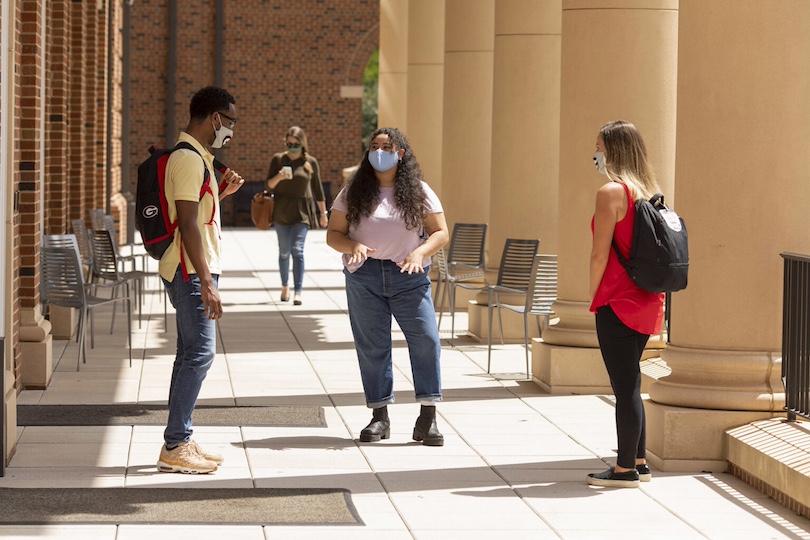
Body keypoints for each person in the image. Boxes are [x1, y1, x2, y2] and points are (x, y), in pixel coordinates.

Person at [326, 127, 449, 446]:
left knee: (426, 340)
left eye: (387, 147)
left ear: (401, 154)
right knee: (373, 345)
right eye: (374, 146)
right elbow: (333, 234)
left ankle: (427, 419)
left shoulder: (419, 191)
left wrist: (419, 252)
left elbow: (440, 232)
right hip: (364, 276)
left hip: (409, 276)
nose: (379, 152)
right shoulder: (353, 192)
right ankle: (379, 417)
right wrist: (351, 245)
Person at [156, 86, 245, 474]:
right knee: (200, 354)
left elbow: (195, 215)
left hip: (192, 268)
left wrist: (222, 194)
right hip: (192, 271)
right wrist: (207, 282)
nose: (230, 129)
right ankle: (176, 444)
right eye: (230, 121)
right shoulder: (189, 159)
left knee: (189, 354)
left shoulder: (199, 159)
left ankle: (180, 438)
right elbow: (188, 224)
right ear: (215, 119)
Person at [588, 120, 665, 488]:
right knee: (631, 380)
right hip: (648, 300)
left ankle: (624, 470)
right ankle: (639, 460)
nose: (596, 152)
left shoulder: (611, 193)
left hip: (617, 300)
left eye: (600, 146)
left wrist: (593, 297)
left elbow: (599, 254)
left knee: (625, 386)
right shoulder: (650, 192)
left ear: (613, 151)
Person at [265, 126, 328, 305]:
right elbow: (269, 185)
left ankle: (298, 291)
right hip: (282, 210)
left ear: (302, 143)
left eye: (296, 144)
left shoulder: (310, 162)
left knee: (298, 251)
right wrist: (279, 176)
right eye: (289, 143)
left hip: (302, 212)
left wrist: (323, 213)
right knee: (284, 252)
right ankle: (285, 286)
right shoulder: (278, 159)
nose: (292, 146)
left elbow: (318, 190)